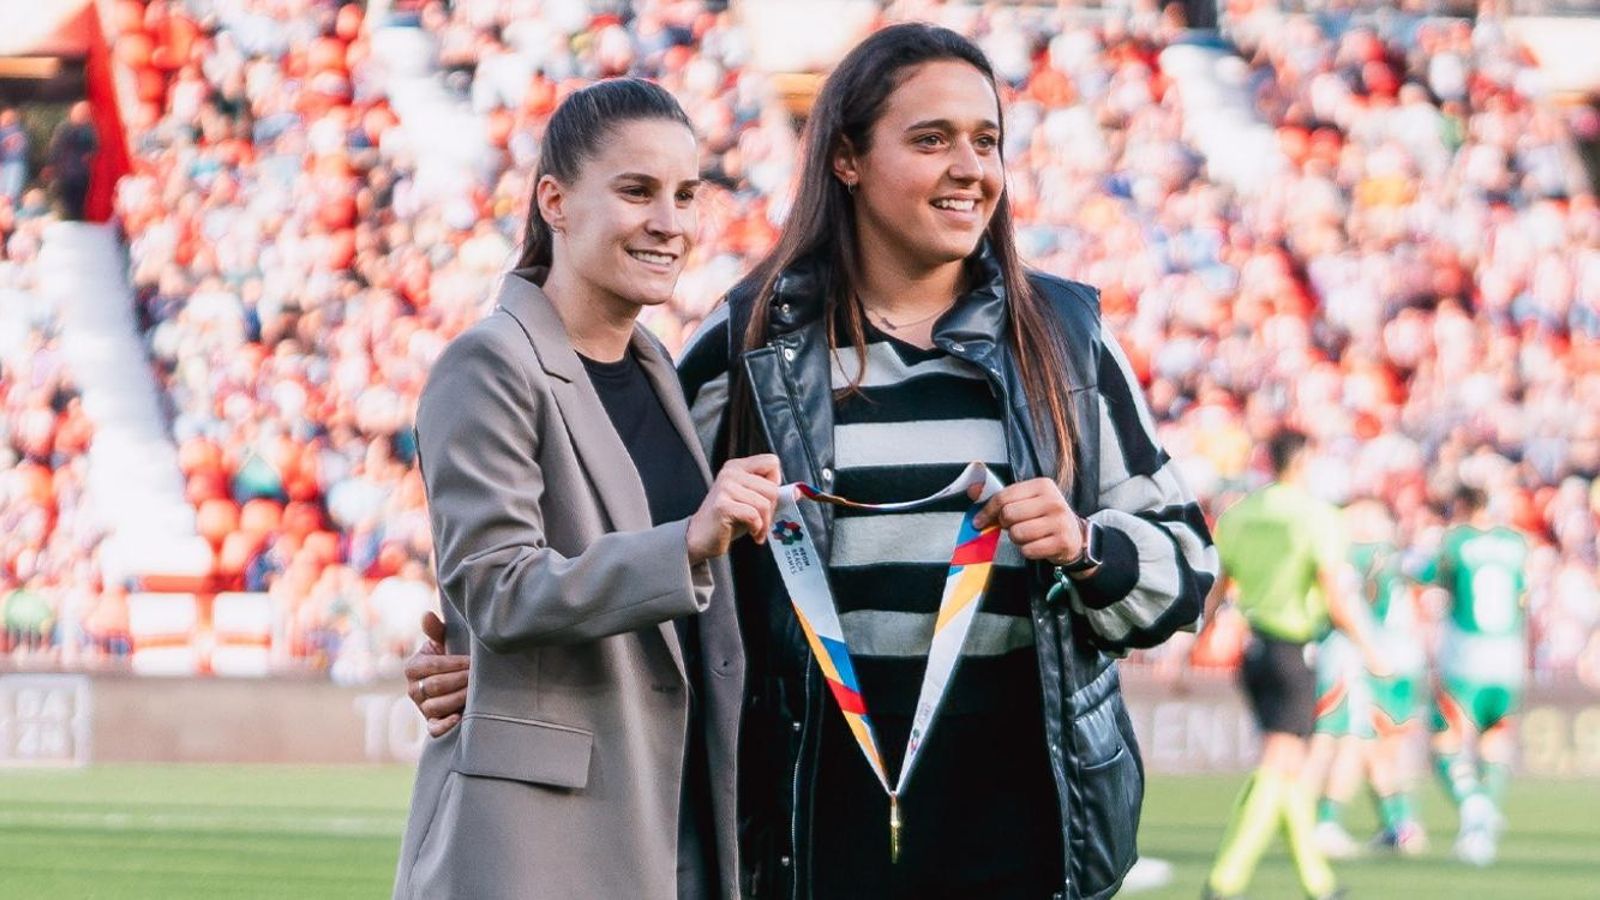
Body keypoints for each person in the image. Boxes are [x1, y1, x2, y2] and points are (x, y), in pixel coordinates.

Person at [411, 24, 1217, 899]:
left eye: (987, 141)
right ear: (846, 160)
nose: (971, 167)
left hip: (1025, 832)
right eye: (932, 139)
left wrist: (1088, 546)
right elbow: (635, 554)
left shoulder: (1064, 341)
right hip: (809, 837)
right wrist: (486, 665)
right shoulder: (748, 342)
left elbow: (1189, 570)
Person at [392, 78, 780, 900]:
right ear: (556, 202)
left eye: (685, 195)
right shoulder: (488, 363)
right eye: (637, 190)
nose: (669, 222)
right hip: (542, 844)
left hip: (676, 820)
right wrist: (687, 543)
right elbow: (496, 589)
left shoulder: (656, 368)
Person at [1201, 430, 1389, 900]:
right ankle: (1226, 879)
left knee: (1288, 767)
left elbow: (1219, 587)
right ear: (1304, 462)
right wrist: (1371, 649)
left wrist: (1194, 644)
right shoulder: (1318, 517)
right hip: (1291, 648)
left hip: (1254, 648)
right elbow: (1335, 594)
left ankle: (1318, 882)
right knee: (1279, 763)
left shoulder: (1239, 514)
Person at [1417, 485, 1530, 867]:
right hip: (1509, 654)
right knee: (1494, 736)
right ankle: (1485, 821)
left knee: (1444, 741)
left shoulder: (1456, 541)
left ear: (1462, 506)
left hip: (1467, 653)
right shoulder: (1515, 542)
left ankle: (1476, 808)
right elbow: (1521, 597)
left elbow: (1433, 580)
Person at [46, 101, 97, 221]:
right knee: (67, 200)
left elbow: (95, 146)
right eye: (78, 111)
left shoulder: (90, 129)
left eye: (84, 111)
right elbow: (56, 147)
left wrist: (91, 154)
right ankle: (69, 219)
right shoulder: (64, 127)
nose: (81, 113)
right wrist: (51, 165)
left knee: (81, 201)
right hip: (66, 172)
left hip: (83, 173)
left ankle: (79, 219)